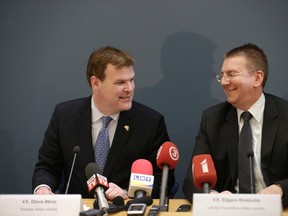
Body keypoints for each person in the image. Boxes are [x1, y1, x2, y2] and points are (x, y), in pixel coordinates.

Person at [32, 46, 175, 200]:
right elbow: (47, 167)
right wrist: (43, 188)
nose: (130, 88)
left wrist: (127, 192)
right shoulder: (65, 116)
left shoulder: (150, 122)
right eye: (120, 82)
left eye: (131, 80)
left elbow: (164, 180)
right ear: (95, 83)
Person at [182, 43, 288, 207]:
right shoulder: (212, 119)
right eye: (222, 75)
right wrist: (213, 196)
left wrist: (279, 189)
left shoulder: (285, 115)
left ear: (257, 78)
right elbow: (192, 180)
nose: (224, 82)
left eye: (231, 74)